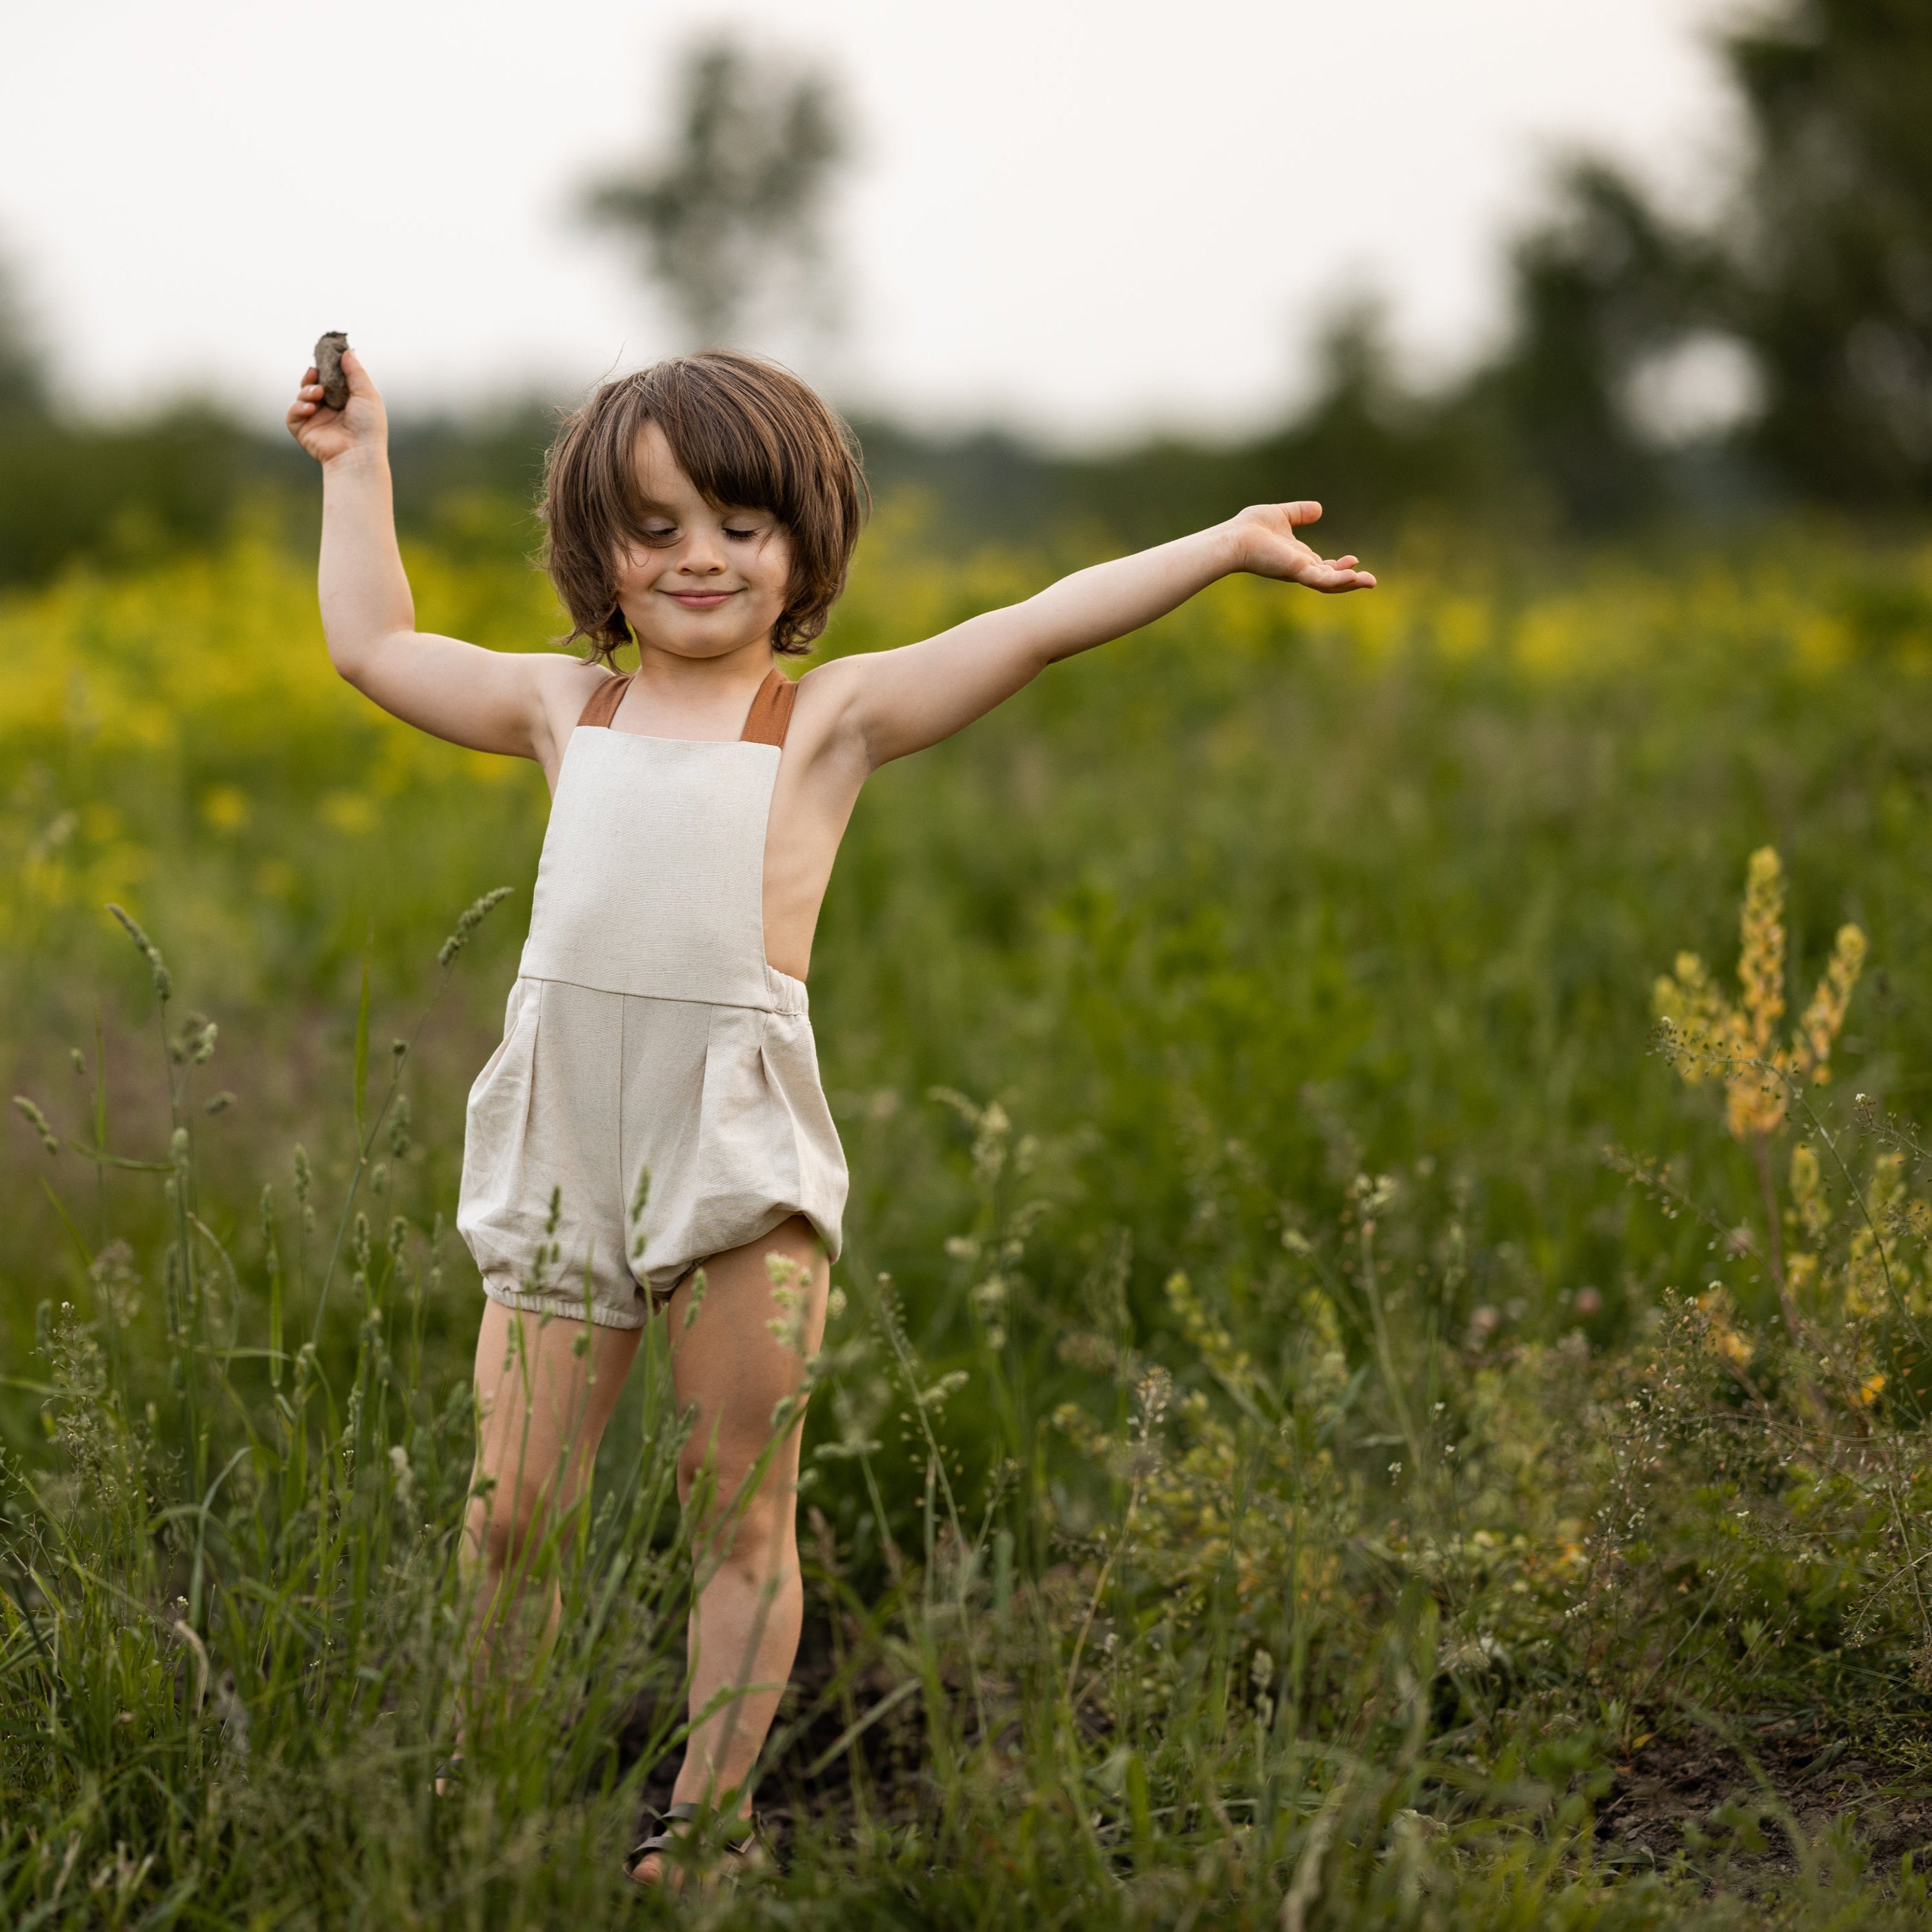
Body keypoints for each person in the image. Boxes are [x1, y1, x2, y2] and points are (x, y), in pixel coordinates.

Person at [286, 344, 1373, 1887]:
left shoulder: (826, 721)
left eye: (739, 522)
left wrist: (1219, 547)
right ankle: (482, 1801)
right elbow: (375, 645)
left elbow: (1040, 624)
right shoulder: (564, 706)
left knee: (737, 1509)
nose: (700, 558)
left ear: (802, 543)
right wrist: (356, 463)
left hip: (735, 1150)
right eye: (655, 528)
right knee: (513, 1511)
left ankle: (707, 1832)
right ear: (597, 552)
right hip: (565, 1143)